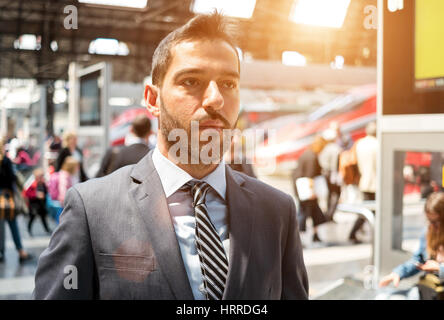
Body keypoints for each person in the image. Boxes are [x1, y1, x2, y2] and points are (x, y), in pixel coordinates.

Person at [33, 12, 308, 300]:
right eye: (191, 81)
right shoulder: (92, 210)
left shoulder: (277, 212)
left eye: (228, 83)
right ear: (153, 99)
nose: (216, 99)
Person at [379, 192, 444, 290]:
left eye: (436, 222)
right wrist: (398, 273)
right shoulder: (428, 231)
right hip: (431, 288)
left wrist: (439, 268)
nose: (432, 226)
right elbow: (418, 260)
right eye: (429, 221)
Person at [0, 138, 33, 264]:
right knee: (13, 224)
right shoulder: (5, 161)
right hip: (7, 197)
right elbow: (11, 179)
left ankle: (1, 252)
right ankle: (20, 251)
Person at [291, 135, 327, 243]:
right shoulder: (312, 157)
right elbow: (310, 175)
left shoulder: (308, 154)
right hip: (306, 189)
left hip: (302, 187)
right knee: (304, 212)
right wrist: (312, 191)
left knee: (313, 211)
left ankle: (315, 235)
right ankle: (297, 239)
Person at [348, 121, 377, 244]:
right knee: (371, 210)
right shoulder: (378, 144)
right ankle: (354, 233)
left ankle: (354, 232)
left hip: (364, 181)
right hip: (376, 182)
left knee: (366, 209)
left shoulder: (359, 144)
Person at [318, 128, 342, 222]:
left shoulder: (325, 148)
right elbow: (335, 164)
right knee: (336, 193)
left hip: (325, 172)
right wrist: (335, 175)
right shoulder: (335, 148)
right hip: (332, 173)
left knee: (329, 193)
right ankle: (330, 214)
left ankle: (328, 214)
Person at [25, 168, 52, 236]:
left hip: (41, 205)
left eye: (42, 176)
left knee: (43, 218)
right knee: (32, 218)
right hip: (34, 205)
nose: (41, 178)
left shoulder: (43, 184)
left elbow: (46, 192)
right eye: (40, 177)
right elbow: (27, 193)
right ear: (36, 177)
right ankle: (29, 229)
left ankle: (47, 229)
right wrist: (36, 195)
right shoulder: (33, 185)